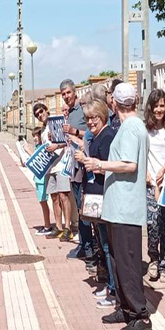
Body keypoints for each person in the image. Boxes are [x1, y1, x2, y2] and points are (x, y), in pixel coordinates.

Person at [80, 83, 152, 330]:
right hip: (118, 207)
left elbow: (130, 165)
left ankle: (140, 314)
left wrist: (100, 164)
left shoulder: (132, 128)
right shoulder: (128, 127)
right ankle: (126, 307)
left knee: (128, 261)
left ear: (113, 103)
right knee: (119, 260)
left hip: (126, 208)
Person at [71, 99, 118, 309]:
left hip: (104, 197)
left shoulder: (107, 137)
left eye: (94, 118)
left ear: (103, 116)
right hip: (96, 196)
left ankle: (113, 288)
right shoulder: (99, 135)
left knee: (108, 246)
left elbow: (110, 168)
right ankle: (109, 285)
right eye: (88, 119)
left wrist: (87, 161)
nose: (90, 122)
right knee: (103, 244)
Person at [57, 79, 96, 260]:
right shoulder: (69, 112)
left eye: (68, 93)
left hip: (84, 165)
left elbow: (89, 132)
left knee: (83, 206)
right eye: (63, 94)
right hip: (72, 165)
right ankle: (83, 244)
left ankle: (88, 246)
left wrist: (74, 131)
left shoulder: (83, 110)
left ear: (75, 92)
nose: (66, 97)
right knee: (79, 206)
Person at [143, 90, 165, 282]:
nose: (159, 110)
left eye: (162, 106)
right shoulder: (146, 129)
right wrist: (147, 173)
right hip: (149, 184)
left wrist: (163, 171)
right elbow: (142, 152)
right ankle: (153, 259)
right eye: (156, 106)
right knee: (152, 223)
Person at [33, 103, 73, 239]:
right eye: (37, 114)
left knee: (63, 196)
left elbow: (66, 141)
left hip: (61, 165)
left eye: (41, 111)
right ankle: (58, 226)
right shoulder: (43, 130)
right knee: (54, 197)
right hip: (49, 167)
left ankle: (67, 227)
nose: (40, 115)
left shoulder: (56, 122)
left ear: (46, 110)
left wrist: (56, 145)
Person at [21, 126, 53, 235]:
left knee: (43, 202)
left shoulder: (43, 147)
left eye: (37, 136)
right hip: (38, 179)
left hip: (42, 179)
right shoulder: (38, 146)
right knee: (42, 202)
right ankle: (47, 224)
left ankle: (47, 226)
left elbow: (40, 160)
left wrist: (29, 151)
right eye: (33, 136)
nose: (35, 138)